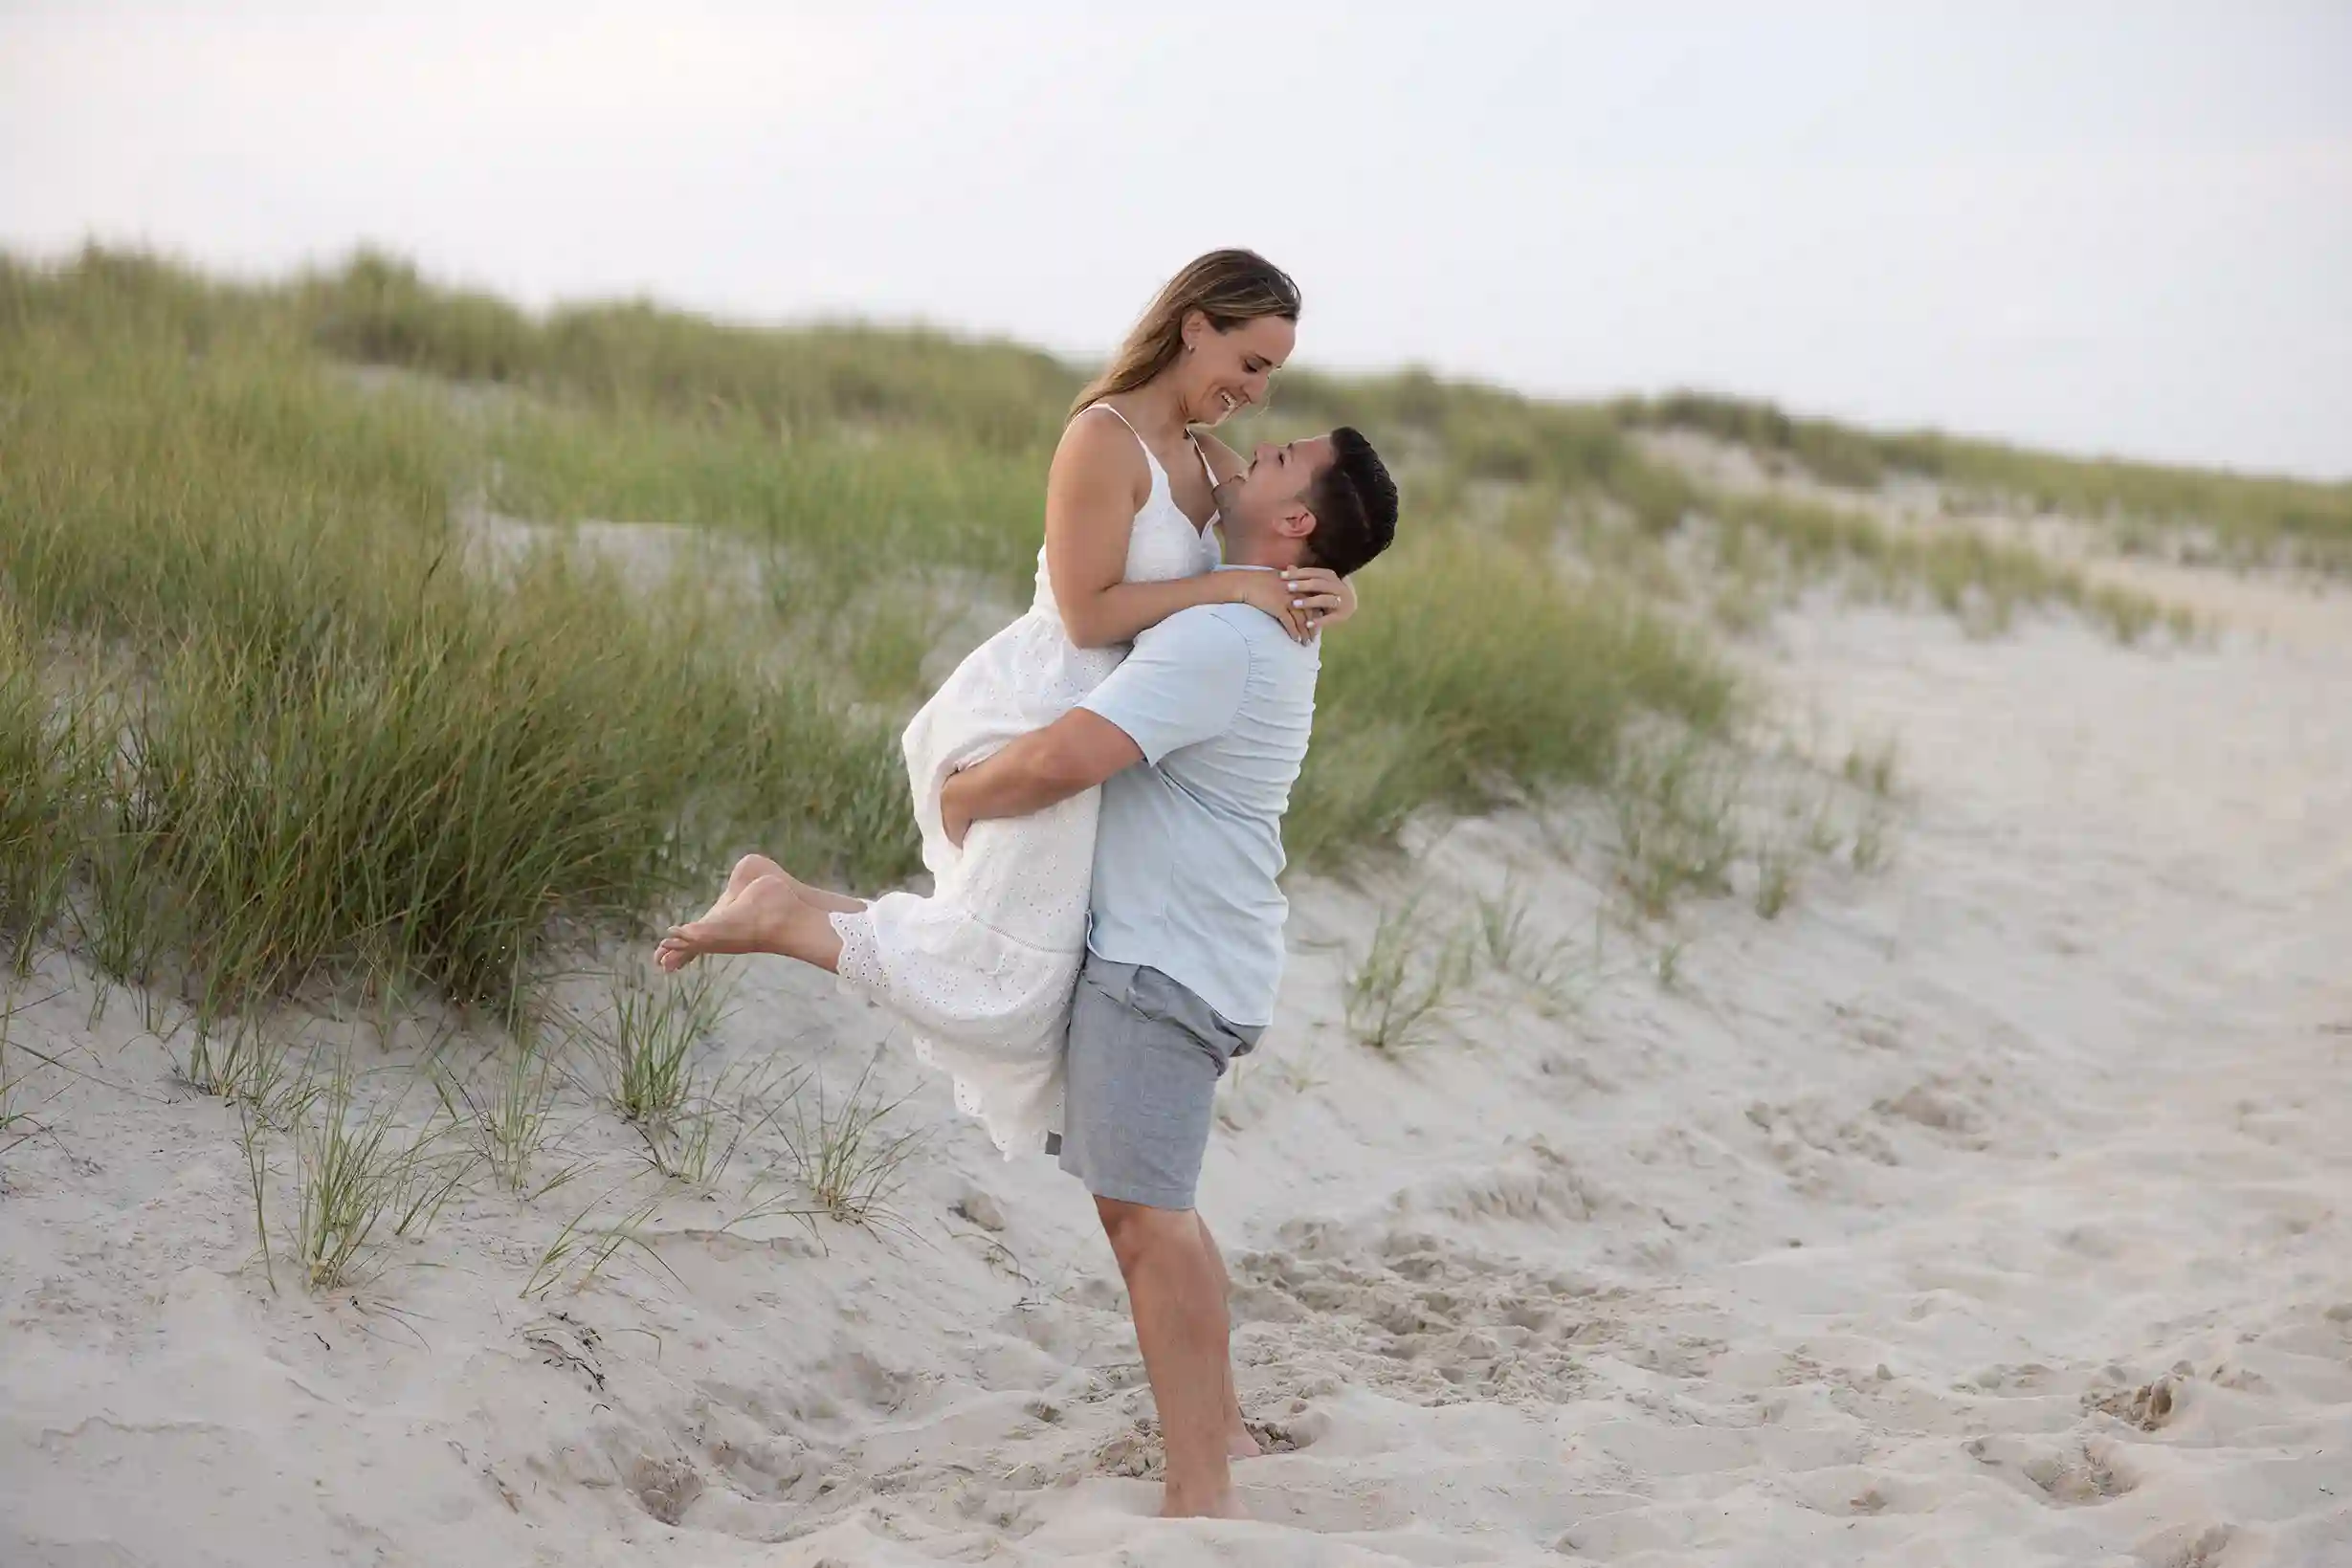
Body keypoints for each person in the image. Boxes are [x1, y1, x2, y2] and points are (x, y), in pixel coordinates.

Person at [674, 422, 1401, 1518]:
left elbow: (1070, 756)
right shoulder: (1244, 596)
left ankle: (1199, 1489)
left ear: (1297, 521)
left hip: (1168, 965)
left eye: (1286, 454)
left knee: (1143, 1221)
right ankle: (1228, 1436)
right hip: (1191, 950)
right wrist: (1334, 586)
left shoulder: (1227, 635)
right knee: (1161, 1209)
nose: (1261, 440)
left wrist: (963, 795)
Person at [655, 251, 1354, 1160]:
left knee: (1010, 969)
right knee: (1003, 987)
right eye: (1251, 363)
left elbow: (1280, 541)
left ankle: (783, 899)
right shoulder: (1102, 438)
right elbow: (1087, 610)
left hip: (1104, 729)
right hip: (1036, 707)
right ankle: (781, 920)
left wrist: (1337, 587)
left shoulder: (1205, 458)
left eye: (1273, 373)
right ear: (1194, 327)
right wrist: (1225, 591)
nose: (1258, 393)